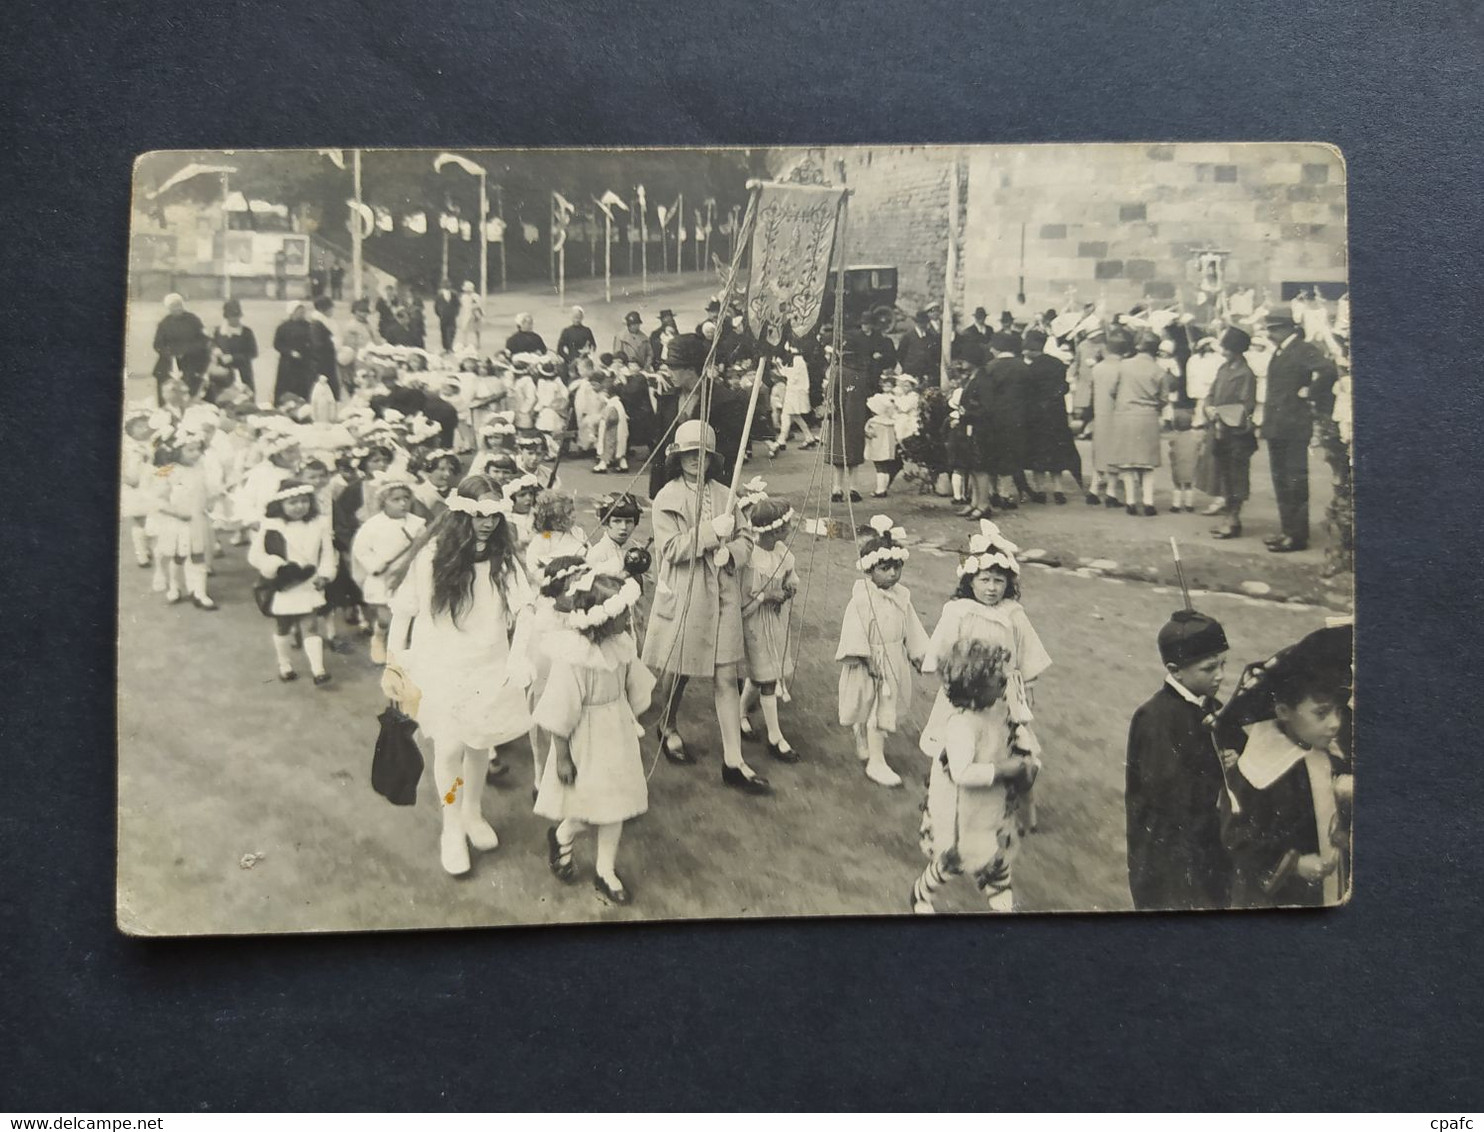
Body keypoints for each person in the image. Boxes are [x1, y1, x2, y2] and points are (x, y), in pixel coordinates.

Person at [386, 476, 533, 876]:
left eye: (494, 515)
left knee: (479, 743)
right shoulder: (432, 556)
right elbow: (403, 610)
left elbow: (527, 610)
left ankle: (472, 812)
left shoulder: (504, 557)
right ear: (461, 513)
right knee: (449, 748)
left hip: (489, 666)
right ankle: (451, 830)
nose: (487, 523)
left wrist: (519, 656)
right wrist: (394, 663)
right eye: (478, 515)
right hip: (443, 666)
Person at [643, 419, 770, 794]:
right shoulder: (667, 497)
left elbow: (748, 541)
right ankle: (666, 724)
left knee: (726, 676)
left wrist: (730, 551)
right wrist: (711, 533)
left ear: (712, 458)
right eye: (689, 454)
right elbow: (670, 550)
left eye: (703, 454)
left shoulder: (726, 494)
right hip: (688, 592)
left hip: (724, 593)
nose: (696, 460)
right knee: (679, 668)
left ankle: (734, 761)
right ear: (678, 458)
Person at [534, 570, 655, 905]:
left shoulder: (621, 646)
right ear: (601, 620)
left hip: (616, 732)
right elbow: (559, 711)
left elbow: (635, 687)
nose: (627, 619)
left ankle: (605, 869)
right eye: (620, 615)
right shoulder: (574, 659)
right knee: (589, 807)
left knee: (616, 805)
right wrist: (562, 756)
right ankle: (563, 837)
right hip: (585, 737)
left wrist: (636, 709)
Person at [919, 520, 1049, 799]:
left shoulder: (1013, 613)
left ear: (1008, 584)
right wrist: (950, 680)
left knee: (1003, 736)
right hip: (963, 693)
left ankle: (1010, 787)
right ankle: (944, 783)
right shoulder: (958, 612)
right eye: (985, 580)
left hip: (1004, 693)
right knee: (956, 736)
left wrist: (1028, 687)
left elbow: (1027, 653)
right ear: (970, 581)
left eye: (999, 581)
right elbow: (940, 653)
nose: (992, 588)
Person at [911, 639, 1039, 914]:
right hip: (962, 806)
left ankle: (1000, 891)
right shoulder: (962, 724)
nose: (1004, 682)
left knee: (997, 847)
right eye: (996, 681)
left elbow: (1011, 731)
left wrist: (1022, 748)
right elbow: (961, 772)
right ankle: (921, 894)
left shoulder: (996, 709)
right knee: (955, 857)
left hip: (990, 799)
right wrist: (1003, 769)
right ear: (974, 691)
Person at [1223, 637, 1351, 908]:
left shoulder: (1331, 758)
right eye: (1322, 714)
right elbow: (1237, 839)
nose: (1335, 724)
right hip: (1279, 897)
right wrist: (1292, 864)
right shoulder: (1257, 770)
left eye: (1338, 712)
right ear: (1283, 711)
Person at [1124, 609, 1233, 911]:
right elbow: (1170, 795)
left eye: (1223, 664)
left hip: (1207, 846)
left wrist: (1236, 757)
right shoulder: (1155, 719)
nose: (1221, 675)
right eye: (1209, 668)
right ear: (1175, 670)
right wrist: (1220, 769)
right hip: (1169, 856)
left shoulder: (1214, 707)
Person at [836, 515, 930, 788]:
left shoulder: (902, 597)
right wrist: (866, 659)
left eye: (896, 567)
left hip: (893, 660)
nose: (892, 574)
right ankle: (873, 757)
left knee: (883, 709)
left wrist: (917, 654)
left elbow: (911, 628)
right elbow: (854, 631)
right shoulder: (862, 600)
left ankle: (875, 755)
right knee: (868, 705)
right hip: (870, 662)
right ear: (869, 570)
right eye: (885, 568)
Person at [1261, 311, 1337, 553]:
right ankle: (1287, 530)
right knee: (1281, 480)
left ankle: (1297, 536)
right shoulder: (1280, 351)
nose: (1270, 334)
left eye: (1273, 329)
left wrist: (1310, 391)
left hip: (1294, 425)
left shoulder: (1303, 348)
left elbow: (1328, 369)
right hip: (1277, 425)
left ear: (1287, 329)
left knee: (1295, 481)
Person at [250, 480, 338, 685]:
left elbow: (327, 553)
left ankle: (318, 669)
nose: (299, 507)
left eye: (304, 501)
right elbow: (256, 555)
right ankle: (285, 664)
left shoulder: (319, 524)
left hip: (309, 583)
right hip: (284, 584)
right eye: (292, 503)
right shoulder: (272, 526)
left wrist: (325, 574)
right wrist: (275, 565)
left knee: (311, 625)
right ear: (280, 505)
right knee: (283, 626)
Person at [737, 497, 801, 763]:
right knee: (768, 679)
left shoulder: (782, 552)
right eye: (786, 526)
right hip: (754, 622)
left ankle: (740, 713)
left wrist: (789, 586)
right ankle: (775, 737)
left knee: (764, 672)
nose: (790, 528)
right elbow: (742, 599)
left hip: (774, 621)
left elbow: (790, 574)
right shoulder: (750, 558)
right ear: (772, 529)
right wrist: (767, 596)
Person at [147, 427, 218, 610]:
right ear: (177, 451)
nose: (196, 454)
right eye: (190, 450)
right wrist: (174, 512)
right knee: (178, 556)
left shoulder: (201, 468)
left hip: (197, 520)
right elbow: (156, 497)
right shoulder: (167, 471)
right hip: (176, 521)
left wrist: (212, 500)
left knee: (198, 555)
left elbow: (207, 491)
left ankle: (199, 592)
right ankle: (174, 586)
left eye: (198, 449)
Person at [1021, 328, 1083, 503]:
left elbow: (1027, 393)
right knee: (1056, 454)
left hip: (1036, 417)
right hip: (1056, 415)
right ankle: (1058, 490)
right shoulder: (1057, 364)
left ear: (1032, 349)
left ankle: (1040, 491)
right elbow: (1064, 387)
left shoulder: (1030, 368)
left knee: (1037, 456)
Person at [1108, 329, 1166, 516]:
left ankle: (1131, 502)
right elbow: (1164, 398)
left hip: (1125, 415)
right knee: (1147, 464)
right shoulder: (1159, 370)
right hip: (1148, 417)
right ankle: (1149, 503)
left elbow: (1112, 390)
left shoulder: (1124, 366)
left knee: (1127, 463)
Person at [824, 317, 876, 503]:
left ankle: (837, 489)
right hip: (857, 417)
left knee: (839, 456)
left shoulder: (837, 371)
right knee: (853, 456)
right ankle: (853, 488)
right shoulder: (861, 373)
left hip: (839, 417)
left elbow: (829, 393)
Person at [152, 293, 210, 402]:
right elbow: (157, 344)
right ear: (168, 308)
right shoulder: (164, 323)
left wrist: (188, 350)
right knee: (162, 376)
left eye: (179, 304)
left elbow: (204, 340)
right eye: (173, 306)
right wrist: (170, 353)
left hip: (191, 359)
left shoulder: (193, 320)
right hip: (171, 359)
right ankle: (166, 409)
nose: (177, 308)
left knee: (190, 381)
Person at [767, 340, 819, 456]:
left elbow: (791, 376)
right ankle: (808, 437)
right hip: (796, 392)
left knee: (787, 414)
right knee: (794, 415)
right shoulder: (798, 361)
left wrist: (779, 366)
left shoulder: (797, 361)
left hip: (795, 392)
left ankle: (781, 440)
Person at [525, 490, 588, 578]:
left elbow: (590, 555)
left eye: (573, 509)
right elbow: (533, 567)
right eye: (569, 512)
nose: (574, 514)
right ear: (555, 519)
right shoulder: (544, 537)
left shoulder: (577, 532)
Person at [272, 301, 317, 405]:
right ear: (292, 312)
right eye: (299, 311)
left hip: (304, 364)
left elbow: (313, 343)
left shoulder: (308, 326)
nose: (301, 314)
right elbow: (277, 344)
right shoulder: (283, 327)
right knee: (286, 388)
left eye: (303, 311)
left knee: (304, 388)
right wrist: (289, 352)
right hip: (287, 364)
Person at [210, 298, 258, 397]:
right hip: (223, 374)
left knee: (246, 397)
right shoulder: (218, 331)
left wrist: (233, 357)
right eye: (231, 316)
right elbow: (211, 344)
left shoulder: (246, 332)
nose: (234, 319)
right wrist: (215, 350)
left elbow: (253, 352)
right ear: (226, 317)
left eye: (236, 316)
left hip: (243, 371)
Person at [897, 310, 941, 380]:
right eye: (921, 323)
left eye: (925, 323)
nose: (923, 325)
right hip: (911, 372)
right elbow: (901, 354)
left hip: (926, 373)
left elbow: (934, 354)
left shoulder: (930, 337)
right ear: (916, 323)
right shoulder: (908, 336)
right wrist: (909, 365)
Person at [432, 279, 459, 354]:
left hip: (452, 316)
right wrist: (439, 314)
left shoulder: (454, 294)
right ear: (442, 285)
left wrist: (456, 313)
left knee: (452, 331)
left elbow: (457, 305)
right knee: (444, 332)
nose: (447, 285)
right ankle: (446, 347)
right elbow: (436, 306)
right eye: (445, 284)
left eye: (448, 284)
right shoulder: (439, 295)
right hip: (443, 317)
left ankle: (450, 346)